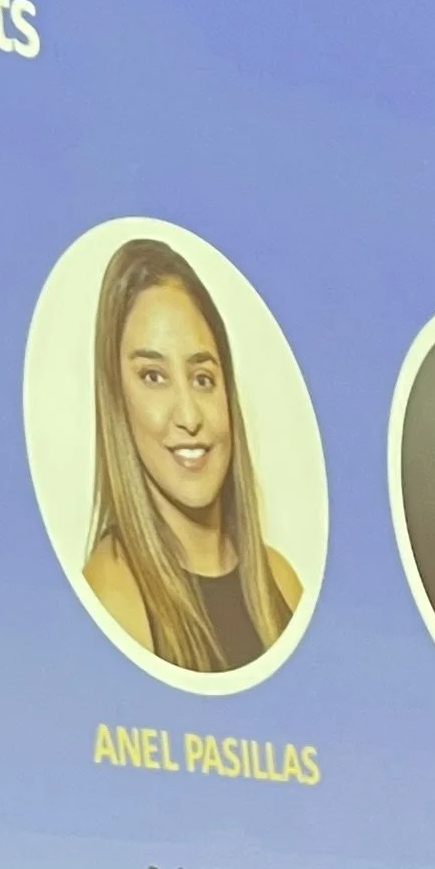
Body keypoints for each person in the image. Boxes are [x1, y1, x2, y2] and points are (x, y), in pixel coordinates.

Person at [81, 238, 300, 673]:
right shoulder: (110, 597)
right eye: (153, 376)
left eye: (202, 378)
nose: (188, 416)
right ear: (116, 401)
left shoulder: (281, 581)